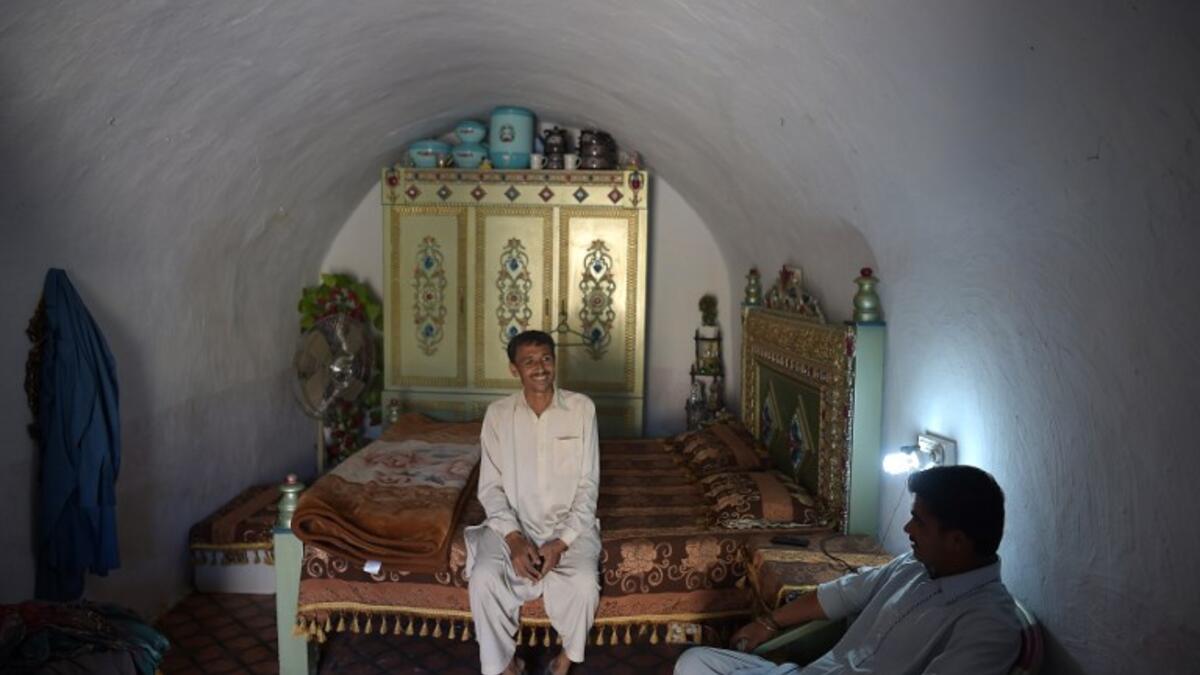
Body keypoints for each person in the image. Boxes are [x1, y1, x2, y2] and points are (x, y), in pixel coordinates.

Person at [675, 465, 1021, 675]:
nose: (907, 529)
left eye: (919, 521)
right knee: (694, 663)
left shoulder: (989, 625)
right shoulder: (911, 567)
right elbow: (839, 595)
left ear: (957, 541)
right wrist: (768, 623)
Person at [466, 330, 601, 675]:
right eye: (529, 362)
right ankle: (507, 667)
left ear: (555, 362)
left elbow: (588, 486)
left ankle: (563, 662)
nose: (540, 368)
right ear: (515, 369)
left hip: (569, 527)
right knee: (483, 577)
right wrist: (513, 538)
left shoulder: (581, 408)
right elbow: (490, 488)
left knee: (584, 584)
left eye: (546, 359)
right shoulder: (498, 415)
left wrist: (560, 543)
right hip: (513, 524)